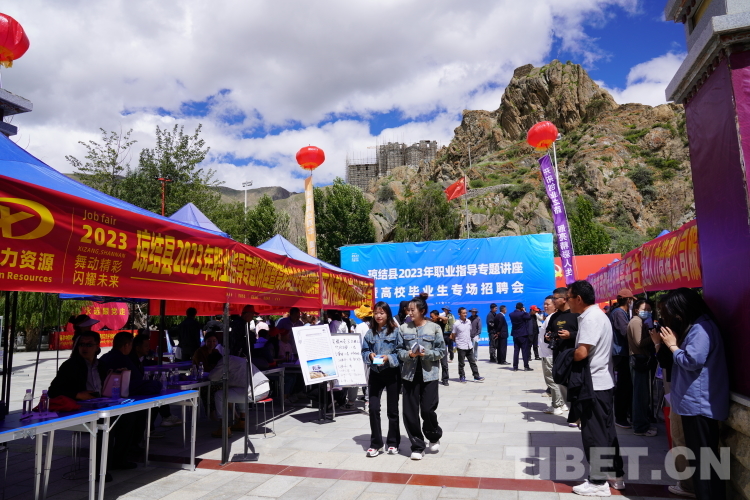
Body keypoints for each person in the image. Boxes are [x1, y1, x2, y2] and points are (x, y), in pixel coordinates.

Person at [656, 288, 729, 500]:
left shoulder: (701, 328)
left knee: (703, 459)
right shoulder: (700, 326)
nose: (674, 317)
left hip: (699, 404)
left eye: (674, 312)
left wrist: (672, 346)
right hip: (696, 403)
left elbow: (692, 361)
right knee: (703, 458)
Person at [47, 331, 133, 478]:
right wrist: (77, 394)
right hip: (79, 407)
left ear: (97, 347)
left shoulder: (101, 365)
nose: (84, 348)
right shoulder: (70, 365)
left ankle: (118, 459)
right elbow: (53, 391)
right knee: (104, 424)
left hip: (99, 403)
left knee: (128, 417)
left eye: (89, 344)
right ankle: (100, 470)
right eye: (82, 344)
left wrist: (117, 375)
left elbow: (107, 384)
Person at [567, 280, 625, 497]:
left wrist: (566, 357)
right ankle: (615, 475)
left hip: (594, 384)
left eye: (569, 298)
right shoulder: (598, 315)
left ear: (578, 299)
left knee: (594, 434)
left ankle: (598, 482)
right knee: (607, 431)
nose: (568, 302)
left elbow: (582, 352)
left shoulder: (590, 318)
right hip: (603, 382)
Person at [397, 297, 446, 460]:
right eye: (408, 310)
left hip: (429, 374)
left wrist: (427, 353)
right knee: (409, 412)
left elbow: (441, 351)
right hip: (409, 375)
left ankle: (433, 435)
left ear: (422, 311)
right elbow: (399, 351)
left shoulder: (434, 328)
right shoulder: (403, 328)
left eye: (413, 310)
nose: (409, 313)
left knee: (427, 409)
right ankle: (417, 446)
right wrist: (409, 354)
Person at [361, 301, 402, 457]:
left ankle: (393, 442)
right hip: (375, 373)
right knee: (373, 408)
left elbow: (401, 353)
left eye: (382, 313)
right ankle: (376, 444)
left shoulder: (396, 332)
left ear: (387, 314)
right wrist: (370, 355)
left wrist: (388, 358)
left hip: (392, 373)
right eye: (376, 313)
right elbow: (364, 351)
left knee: (392, 410)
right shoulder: (369, 333)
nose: (378, 316)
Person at [209, 354, 271, 438]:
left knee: (219, 395)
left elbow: (213, 377)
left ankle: (224, 428)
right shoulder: (236, 359)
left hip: (255, 392)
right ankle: (242, 422)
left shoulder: (224, 361)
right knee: (239, 390)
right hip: (264, 388)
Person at [627, 299, 657, 437]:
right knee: (640, 395)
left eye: (649, 309)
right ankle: (640, 427)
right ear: (637, 310)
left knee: (642, 394)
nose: (648, 312)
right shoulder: (636, 322)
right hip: (638, 360)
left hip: (641, 359)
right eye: (645, 309)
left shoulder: (640, 321)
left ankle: (642, 423)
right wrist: (654, 337)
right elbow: (639, 342)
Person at [610, 289, 634, 429]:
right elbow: (625, 332)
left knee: (625, 386)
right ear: (628, 300)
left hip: (622, 353)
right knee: (623, 387)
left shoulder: (622, 313)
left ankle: (625, 414)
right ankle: (620, 417)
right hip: (620, 353)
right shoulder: (619, 313)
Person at [539, 296, 566, 416]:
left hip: (549, 354)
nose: (545, 306)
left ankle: (557, 405)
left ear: (555, 305)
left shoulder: (552, 318)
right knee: (555, 380)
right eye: (544, 304)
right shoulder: (551, 317)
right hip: (548, 353)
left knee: (551, 381)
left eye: (548, 304)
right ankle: (562, 403)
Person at [451, 307, 484, 383]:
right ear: (459, 314)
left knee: (472, 362)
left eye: (466, 313)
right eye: (463, 313)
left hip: (469, 345)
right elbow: (453, 335)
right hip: (461, 346)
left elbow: (469, 331)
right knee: (461, 363)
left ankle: (476, 376)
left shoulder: (469, 321)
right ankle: (462, 376)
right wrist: (457, 342)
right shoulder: (456, 324)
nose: (465, 314)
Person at [509, 303, 533, 371]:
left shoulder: (511, 314)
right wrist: (524, 311)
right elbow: (529, 317)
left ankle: (515, 367)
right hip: (523, 334)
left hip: (515, 334)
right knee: (524, 351)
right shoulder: (522, 314)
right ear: (521, 308)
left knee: (516, 351)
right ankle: (526, 366)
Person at [430, 310, 450, 386]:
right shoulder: (430, 324)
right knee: (434, 364)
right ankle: (434, 379)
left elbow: (446, 319)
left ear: (436, 316)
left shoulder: (441, 323)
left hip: (442, 345)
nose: (431, 318)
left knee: (444, 364)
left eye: (432, 317)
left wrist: (438, 317)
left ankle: (445, 379)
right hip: (433, 346)